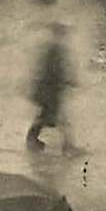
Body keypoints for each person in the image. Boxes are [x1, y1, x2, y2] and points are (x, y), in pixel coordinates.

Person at [25, 22, 81, 154]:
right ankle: (68, 146)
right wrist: (70, 80)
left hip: (49, 90)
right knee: (57, 118)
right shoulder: (55, 49)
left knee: (48, 117)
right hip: (51, 90)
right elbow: (56, 70)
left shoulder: (52, 48)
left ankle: (33, 141)